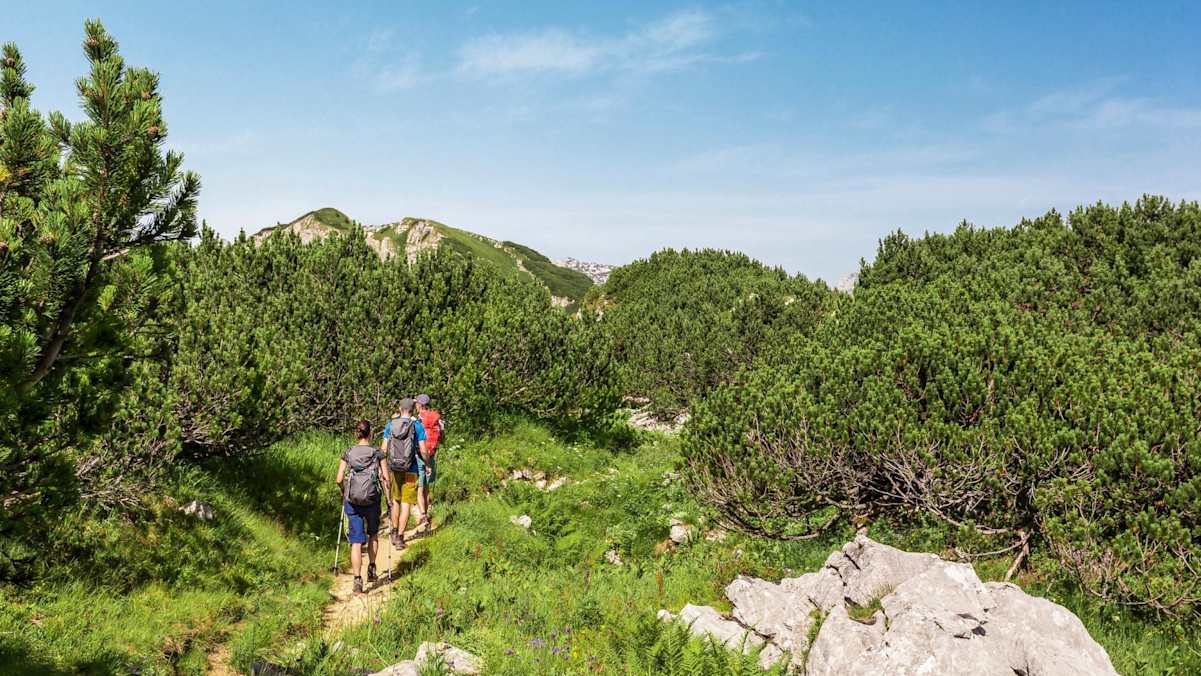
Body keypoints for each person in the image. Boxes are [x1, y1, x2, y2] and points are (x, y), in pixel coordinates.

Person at [336, 420, 389, 594]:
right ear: (370, 433)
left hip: (352, 501)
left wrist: (344, 492)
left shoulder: (349, 453)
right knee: (373, 534)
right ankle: (372, 568)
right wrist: (389, 500)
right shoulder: (377, 453)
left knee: (356, 542)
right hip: (372, 500)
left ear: (356, 433)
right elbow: (385, 479)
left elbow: (339, 478)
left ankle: (357, 580)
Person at [382, 398, 428, 550]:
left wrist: (382, 469)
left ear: (400, 408)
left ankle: (394, 532)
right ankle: (401, 537)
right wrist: (427, 464)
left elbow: (383, 449)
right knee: (406, 502)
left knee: (395, 500)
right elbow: (423, 450)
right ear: (413, 409)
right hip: (411, 469)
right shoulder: (417, 426)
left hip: (395, 468)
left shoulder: (390, 425)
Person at [415, 393, 443, 527]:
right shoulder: (436, 419)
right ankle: (426, 512)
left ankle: (423, 515)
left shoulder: (417, 420)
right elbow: (442, 438)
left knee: (419, 487)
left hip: (419, 456)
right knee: (426, 486)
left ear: (420, 405)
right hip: (431, 455)